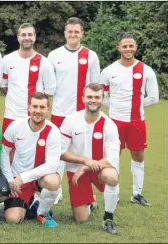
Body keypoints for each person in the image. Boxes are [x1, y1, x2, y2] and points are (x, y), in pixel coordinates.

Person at [99, 32, 159, 206]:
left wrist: (135, 106)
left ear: (135, 47)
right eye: (124, 46)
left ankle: (137, 193)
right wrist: (116, 106)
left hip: (136, 121)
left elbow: (154, 97)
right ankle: (114, 192)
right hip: (114, 121)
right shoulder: (109, 71)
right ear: (118, 48)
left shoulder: (146, 70)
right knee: (113, 156)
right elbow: (100, 97)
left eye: (131, 46)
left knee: (138, 155)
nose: (128, 49)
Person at [47, 17, 100, 203]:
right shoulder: (54, 56)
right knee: (57, 152)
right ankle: (56, 190)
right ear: (65, 33)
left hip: (82, 114)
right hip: (60, 112)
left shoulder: (91, 55)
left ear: (82, 33)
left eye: (76, 31)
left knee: (82, 152)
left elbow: (95, 86)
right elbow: (47, 84)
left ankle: (86, 193)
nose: (73, 35)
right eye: (70, 31)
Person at [60, 83, 120, 234]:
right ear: (83, 98)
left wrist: (87, 166)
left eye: (97, 97)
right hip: (76, 170)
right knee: (81, 219)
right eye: (90, 97)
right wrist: (85, 161)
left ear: (102, 100)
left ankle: (108, 217)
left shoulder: (109, 125)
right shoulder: (70, 120)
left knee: (112, 176)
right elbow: (61, 152)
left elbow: (112, 159)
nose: (93, 100)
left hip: (100, 169)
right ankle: (91, 201)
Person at [0, 92, 61, 227]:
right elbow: (4, 153)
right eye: (34, 106)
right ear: (28, 107)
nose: (38, 111)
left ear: (48, 109)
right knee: (12, 219)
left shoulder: (53, 131)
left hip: (38, 178)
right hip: (17, 180)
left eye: (42, 107)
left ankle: (42, 211)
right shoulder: (16, 126)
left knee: (53, 181)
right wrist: (10, 179)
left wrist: (23, 177)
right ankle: (32, 203)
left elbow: (52, 165)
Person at [0, 23, 56, 133]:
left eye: (30, 35)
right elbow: (3, 86)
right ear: (18, 37)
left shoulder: (44, 62)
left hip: (35, 116)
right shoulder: (7, 60)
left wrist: (37, 105)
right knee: (8, 149)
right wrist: (15, 97)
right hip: (11, 115)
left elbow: (49, 90)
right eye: (23, 35)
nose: (27, 38)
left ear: (34, 37)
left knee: (34, 149)